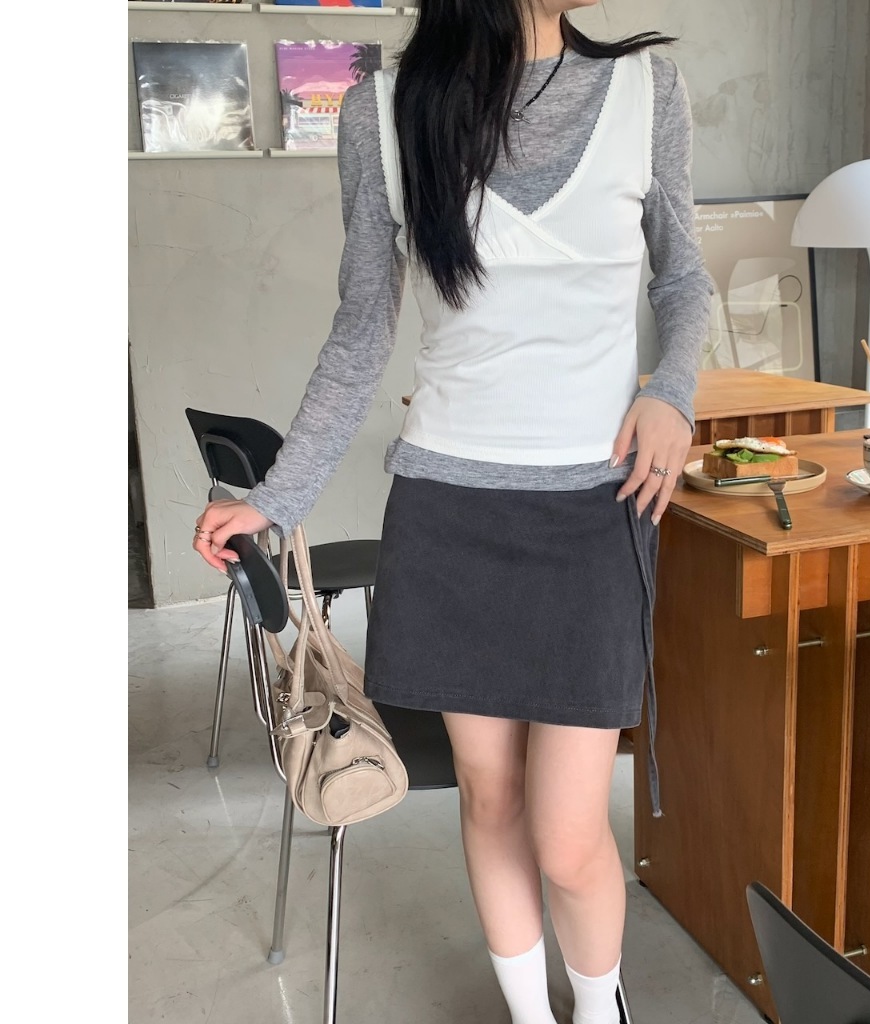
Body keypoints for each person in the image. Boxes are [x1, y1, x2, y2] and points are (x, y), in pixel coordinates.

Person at [193, 2, 713, 1021]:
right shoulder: (383, 113)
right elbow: (361, 330)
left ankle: (599, 1010)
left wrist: (673, 392)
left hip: (593, 511)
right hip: (449, 513)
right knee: (490, 796)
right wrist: (275, 500)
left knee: (568, 833)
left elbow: (685, 277)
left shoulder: (647, 90)